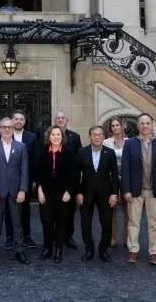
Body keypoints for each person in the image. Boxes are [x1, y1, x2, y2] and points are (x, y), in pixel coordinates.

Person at [121, 113, 156, 266]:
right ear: (138, 126)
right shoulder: (130, 144)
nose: (145, 126)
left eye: (147, 123)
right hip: (135, 190)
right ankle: (133, 250)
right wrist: (126, 190)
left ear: (152, 124)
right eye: (141, 124)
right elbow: (125, 169)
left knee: (154, 223)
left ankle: (154, 252)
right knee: (133, 222)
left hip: (154, 191)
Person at [0, 117, 30, 266]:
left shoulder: (21, 147)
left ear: (13, 129)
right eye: (3, 127)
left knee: (17, 224)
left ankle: (19, 251)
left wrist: (23, 190)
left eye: (9, 127)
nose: (6, 129)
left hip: (16, 192)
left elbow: (24, 170)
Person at [77, 125, 119, 262]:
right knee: (85, 223)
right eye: (94, 134)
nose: (97, 137)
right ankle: (89, 249)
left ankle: (103, 249)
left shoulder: (110, 153)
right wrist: (78, 193)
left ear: (104, 136)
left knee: (106, 223)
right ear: (90, 136)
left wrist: (114, 194)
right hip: (86, 193)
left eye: (100, 134)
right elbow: (77, 175)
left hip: (105, 194)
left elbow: (114, 175)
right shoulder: (82, 152)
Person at [36, 125, 78, 263]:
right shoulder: (42, 152)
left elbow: (74, 175)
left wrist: (69, 192)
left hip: (63, 194)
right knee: (47, 222)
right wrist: (39, 190)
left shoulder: (69, 152)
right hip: (46, 193)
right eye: (53, 134)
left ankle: (58, 250)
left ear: (62, 137)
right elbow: (38, 173)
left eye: (58, 134)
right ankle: (48, 248)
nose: (55, 137)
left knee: (60, 223)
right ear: (49, 137)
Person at [4, 110, 38, 250]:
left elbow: (36, 159)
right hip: (7, 179)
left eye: (21, 119)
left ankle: (26, 236)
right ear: (12, 121)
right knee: (8, 208)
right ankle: (10, 237)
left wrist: (35, 180)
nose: (18, 121)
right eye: (16, 119)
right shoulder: (5, 135)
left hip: (26, 179)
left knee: (25, 209)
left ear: (25, 121)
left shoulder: (32, 137)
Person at [54, 111, 82, 250]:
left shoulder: (75, 137)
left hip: (70, 180)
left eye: (62, 118)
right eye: (58, 118)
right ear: (55, 120)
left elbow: (79, 159)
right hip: (53, 181)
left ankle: (68, 236)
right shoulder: (49, 135)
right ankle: (54, 236)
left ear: (67, 120)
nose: (60, 120)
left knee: (70, 211)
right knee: (54, 210)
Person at [104, 117, 128, 248]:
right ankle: (113, 238)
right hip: (111, 179)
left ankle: (127, 238)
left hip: (126, 179)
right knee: (111, 210)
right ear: (110, 128)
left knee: (128, 210)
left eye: (118, 125)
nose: (116, 128)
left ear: (122, 126)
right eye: (113, 126)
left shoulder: (130, 142)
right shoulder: (106, 142)